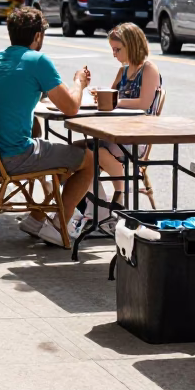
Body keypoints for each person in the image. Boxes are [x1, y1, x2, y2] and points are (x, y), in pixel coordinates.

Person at [0, 6, 96, 247]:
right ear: (38, 36)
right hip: (14, 155)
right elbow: (71, 107)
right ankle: (59, 226)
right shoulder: (37, 60)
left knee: (73, 152)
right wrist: (79, 83)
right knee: (91, 159)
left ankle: (36, 218)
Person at [77, 22, 162, 232]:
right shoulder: (122, 71)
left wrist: (112, 100)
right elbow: (109, 97)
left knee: (90, 154)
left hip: (135, 137)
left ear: (132, 45)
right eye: (113, 50)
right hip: (114, 134)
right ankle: (101, 210)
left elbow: (143, 104)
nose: (114, 54)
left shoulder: (148, 69)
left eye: (118, 49)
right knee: (75, 151)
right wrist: (97, 93)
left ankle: (112, 203)